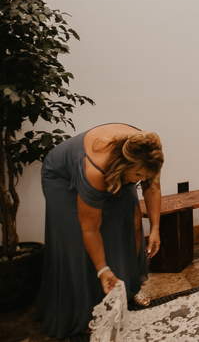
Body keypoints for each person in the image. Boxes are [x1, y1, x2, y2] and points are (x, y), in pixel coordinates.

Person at [37, 124, 163, 339]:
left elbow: (152, 186)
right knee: (77, 238)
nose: (139, 181)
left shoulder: (149, 152)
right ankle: (84, 309)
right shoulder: (95, 170)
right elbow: (90, 228)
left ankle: (129, 288)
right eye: (137, 175)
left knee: (131, 222)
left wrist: (155, 229)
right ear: (123, 166)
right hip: (61, 178)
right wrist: (102, 269)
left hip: (119, 168)